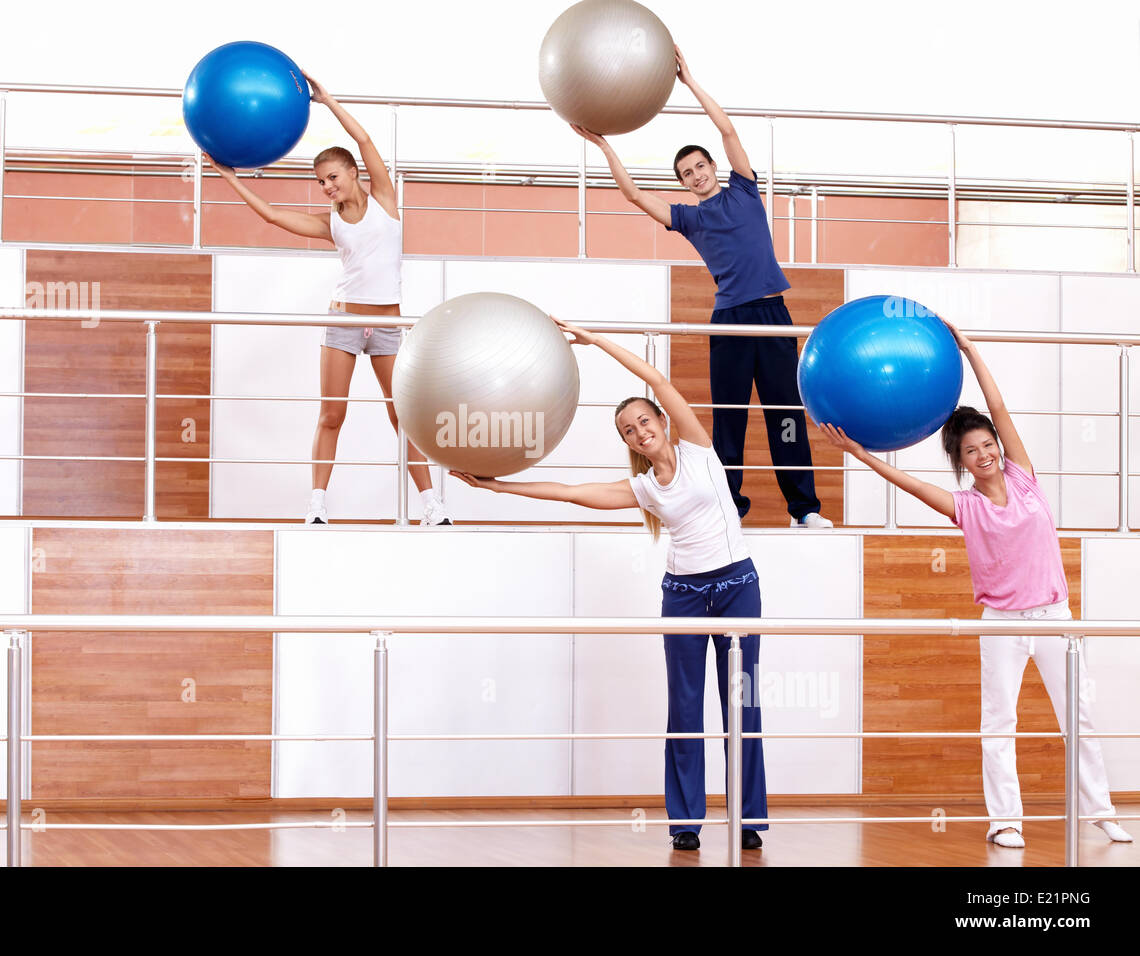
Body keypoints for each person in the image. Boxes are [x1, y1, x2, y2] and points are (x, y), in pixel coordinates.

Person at [452, 316, 768, 852]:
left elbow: (660, 380)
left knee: (743, 703)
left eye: (645, 421)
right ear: (630, 443)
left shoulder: (698, 450)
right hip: (684, 595)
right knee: (685, 708)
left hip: (738, 585)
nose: (640, 432)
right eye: (629, 431)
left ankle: (748, 819)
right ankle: (686, 823)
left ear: (662, 422)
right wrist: (501, 487)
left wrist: (597, 342)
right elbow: (573, 493)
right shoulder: (644, 489)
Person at [818, 317, 1132, 849]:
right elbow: (910, 483)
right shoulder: (964, 506)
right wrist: (862, 456)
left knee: (1077, 718)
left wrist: (969, 349)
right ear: (961, 463)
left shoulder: (1025, 477)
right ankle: (1005, 820)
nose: (984, 454)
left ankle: (1100, 811)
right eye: (971, 451)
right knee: (998, 725)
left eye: (987, 445)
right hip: (1004, 623)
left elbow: (1000, 407)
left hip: (1055, 616)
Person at [572, 45, 829, 530]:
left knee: (787, 414)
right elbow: (631, 194)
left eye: (700, 167)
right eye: (687, 174)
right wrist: (605, 146)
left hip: (773, 315)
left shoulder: (746, 191)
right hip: (730, 319)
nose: (696, 175)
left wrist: (689, 81)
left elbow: (728, 129)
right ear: (685, 183)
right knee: (729, 418)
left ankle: (804, 509)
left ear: (714, 167)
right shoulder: (689, 219)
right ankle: (728, 506)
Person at [206, 73, 452, 526]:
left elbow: (363, 137)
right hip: (342, 320)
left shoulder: (385, 200)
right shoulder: (331, 223)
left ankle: (432, 506)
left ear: (354, 172)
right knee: (332, 413)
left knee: (403, 417)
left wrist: (327, 100)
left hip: (389, 326)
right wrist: (227, 176)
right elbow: (272, 216)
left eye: (332, 177)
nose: (327, 188)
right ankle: (316, 504)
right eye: (320, 182)